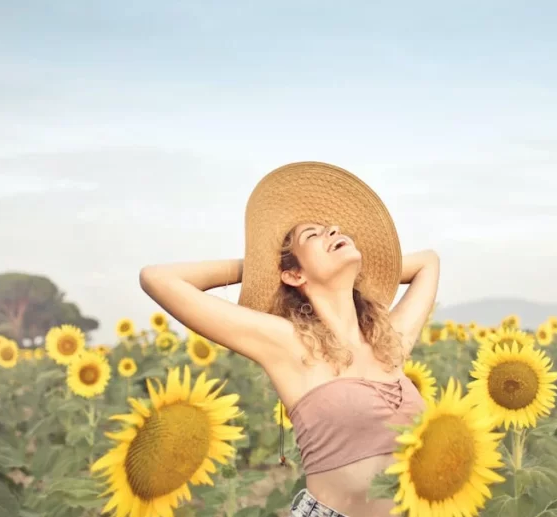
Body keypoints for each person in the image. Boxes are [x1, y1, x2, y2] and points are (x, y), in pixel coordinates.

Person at [139, 161, 440, 517]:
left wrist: (369, 264)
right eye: (313, 235)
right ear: (294, 274)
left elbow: (429, 263)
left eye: (333, 230)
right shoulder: (287, 343)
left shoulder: (387, 343)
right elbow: (157, 278)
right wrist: (255, 267)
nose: (332, 232)